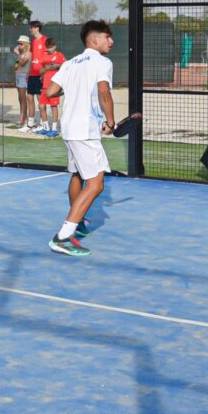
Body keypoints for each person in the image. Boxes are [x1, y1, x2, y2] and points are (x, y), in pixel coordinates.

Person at [45, 21, 117, 257]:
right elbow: (104, 92)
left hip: (68, 127)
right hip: (85, 129)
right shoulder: (103, 62)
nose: (111, 41)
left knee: (77, 174)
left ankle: (79, 224)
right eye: (107, 37)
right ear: (94, 39)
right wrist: (110, 121)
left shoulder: (70, 63)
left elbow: (51, 91)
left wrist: (73, 88)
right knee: (96, 183)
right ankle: (63, 237)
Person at [25, 23, 50, 132]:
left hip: (41, 74)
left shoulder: (45, 40)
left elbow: (48, 57)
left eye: (31, 27)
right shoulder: (33, 41)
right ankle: (30, 124)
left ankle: (42, 124)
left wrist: (44, 73)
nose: (29, 29)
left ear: (37, 28)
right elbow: (31, 58)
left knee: (41, 100)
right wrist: (28, 72)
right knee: (29, 98)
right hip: (32, 74)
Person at [38, 42, 66, 134]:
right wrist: (46, 68)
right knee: (41, 106)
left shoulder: (59, 55)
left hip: (54, 85)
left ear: (54, 46)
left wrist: (58, 65)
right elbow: (40, 70)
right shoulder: (44, 56)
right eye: (48, 47)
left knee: (53, 106)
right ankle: (45, 128)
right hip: (45, 85)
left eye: (51, 47)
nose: (49, 49)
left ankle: (54, 129)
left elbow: (67, 66)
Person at [12, 35, 33, 127]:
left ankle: (22, 118)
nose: (19, 45)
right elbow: (17, 66)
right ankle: (23, 117)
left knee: (23, 98)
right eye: (18, 43)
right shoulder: (21, 54)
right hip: (19, 76)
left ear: (26, 44)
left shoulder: (28, 53)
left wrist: (17, 54)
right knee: (21, 98)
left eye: (21, 44)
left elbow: (23, 62)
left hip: (24, 76)